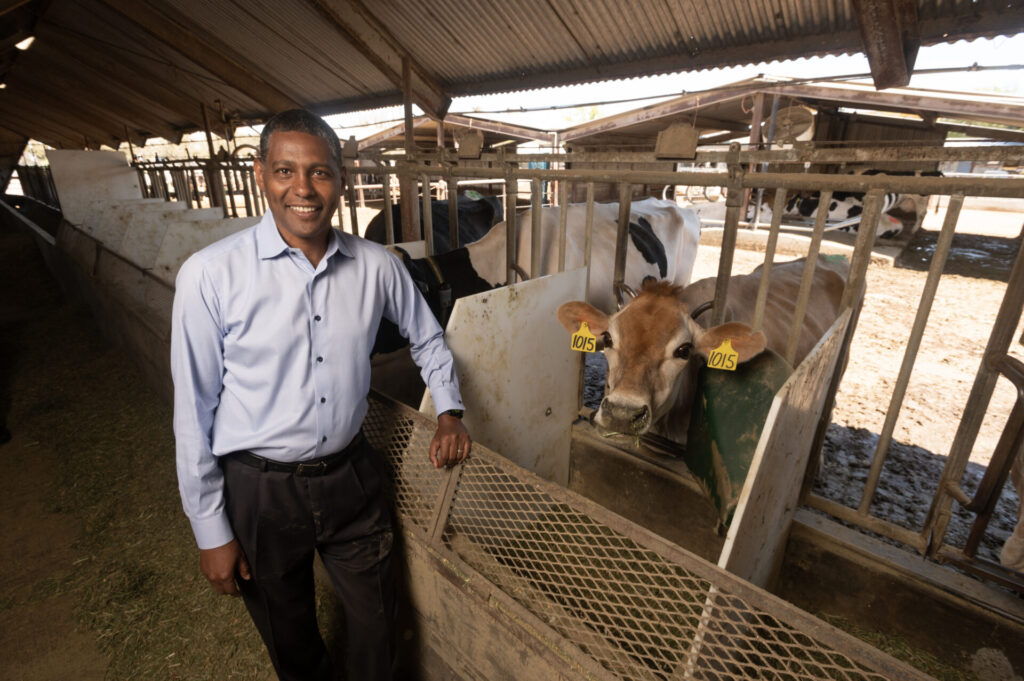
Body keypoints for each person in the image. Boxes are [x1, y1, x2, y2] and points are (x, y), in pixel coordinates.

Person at [171, 108, 471, 681]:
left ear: (341, 177)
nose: (303, 189)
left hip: (351, 477)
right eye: (285, 171)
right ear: (260, 174)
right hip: (259, 489)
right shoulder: (210, 275)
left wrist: (450, 410)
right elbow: (193, 411)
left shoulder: (377, 265)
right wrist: (211, 530)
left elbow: (429, 337)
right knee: (292, 640)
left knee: (378, 626)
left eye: (320, 172)